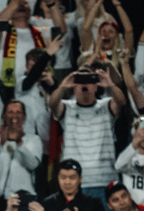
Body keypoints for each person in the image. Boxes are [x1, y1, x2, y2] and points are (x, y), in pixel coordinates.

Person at [48, 66, 125, 203]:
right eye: (80, 81)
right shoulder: (67, 107)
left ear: (96, 86)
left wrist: (110, 85)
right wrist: (62, 87)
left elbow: (121, 101)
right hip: (74, 182)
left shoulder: (106, 106)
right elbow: (52, 104)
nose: (84, 85)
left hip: (104, 180)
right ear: (74, 88)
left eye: (89, 81)